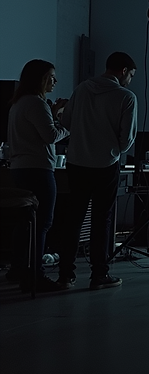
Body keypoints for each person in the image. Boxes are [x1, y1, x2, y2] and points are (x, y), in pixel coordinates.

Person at [54, 52, 138, 290]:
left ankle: (65, 275)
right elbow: (126, 140)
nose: (130, 80)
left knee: (73, 220)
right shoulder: (126, 97)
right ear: (123, 71)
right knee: (102, 221)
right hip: (105, 165)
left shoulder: (81, 89)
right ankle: (99, 274)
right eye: (131, 75)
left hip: (77, 163)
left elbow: (67, 123)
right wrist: (111, 148)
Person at [5, 59, 70, 292]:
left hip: (19, 169)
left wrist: (51, 112)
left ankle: (18, 268)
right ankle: (35, 274)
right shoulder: (36, 103)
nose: (55, 81)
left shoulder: (18, 103)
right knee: (42, 223)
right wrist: (66, 123)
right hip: (39, 170)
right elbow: (50, 136)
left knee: (25, 224)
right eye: (51, 76)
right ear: (40, 79)